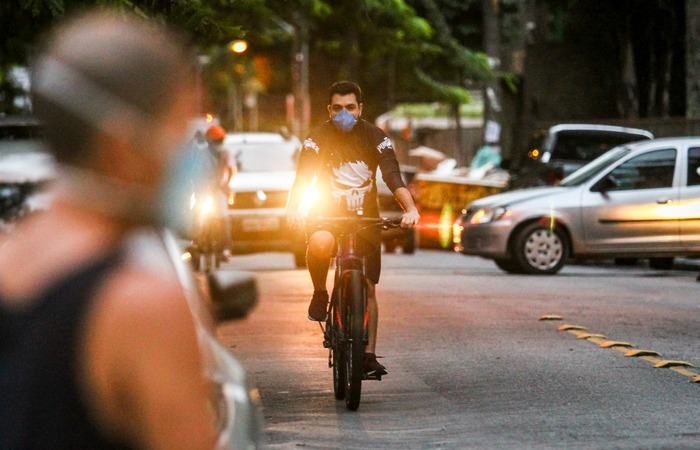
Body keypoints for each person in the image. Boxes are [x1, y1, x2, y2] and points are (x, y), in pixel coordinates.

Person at [0, 10, 218, 450]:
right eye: (178, 130)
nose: (188, 155)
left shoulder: (10, 261)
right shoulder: (140, 305)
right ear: (122, 148)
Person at [286, 81, 419, 376]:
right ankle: (320, 291)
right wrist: (294, 207)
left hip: (364, 218)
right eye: (337, 108)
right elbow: (303, 178)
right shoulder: (317, 139)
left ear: (360, 109)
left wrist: (409, 209)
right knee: (320, 242)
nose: (343, 113)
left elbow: (393, 177)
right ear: (329, 110)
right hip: (326, 215)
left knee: (369, 287)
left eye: (350, 108)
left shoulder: (376, 137)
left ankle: (368, 355)